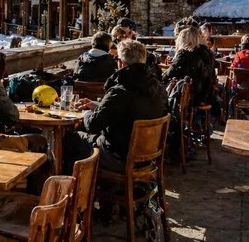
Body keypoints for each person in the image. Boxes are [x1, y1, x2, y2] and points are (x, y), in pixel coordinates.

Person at [63, 40, 169, 173]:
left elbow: (94, 125)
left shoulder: (121, 90)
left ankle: (75, 187)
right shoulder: (157, 87)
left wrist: (86, 114)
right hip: (149, 155)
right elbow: (128, 111)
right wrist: (95, 106)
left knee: (70, 138)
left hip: (118, 157)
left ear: (121, 62)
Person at [163, 24, 214, 107]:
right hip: (202, 95)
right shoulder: (204, 54)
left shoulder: (184, 55)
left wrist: (163, 74)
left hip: (188, 101)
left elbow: (170, 74)